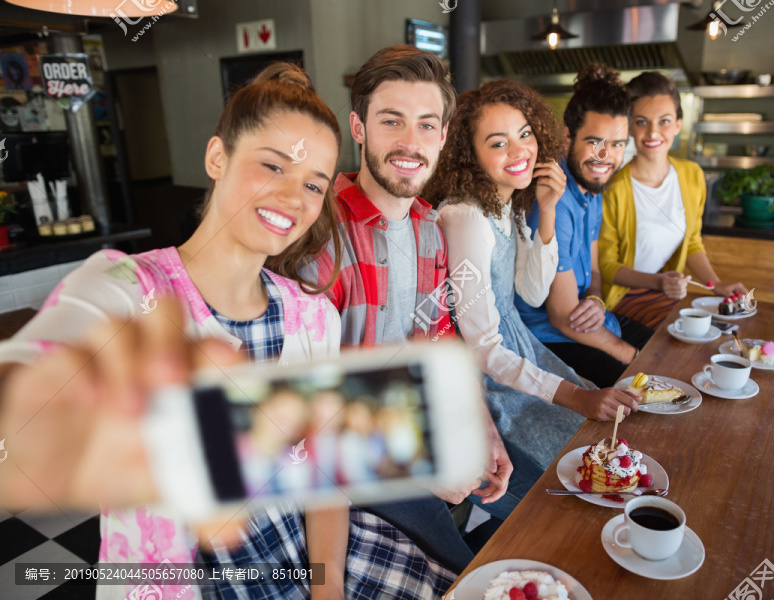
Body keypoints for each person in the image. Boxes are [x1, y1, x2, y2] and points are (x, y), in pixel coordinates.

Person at [0, 63, 456, 600]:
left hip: (310, 558)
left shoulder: (312, 316)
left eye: (313, 183)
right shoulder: (126, 286)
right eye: (272, 166)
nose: (293, 196)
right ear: (217, 157)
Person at [298, 45, 541, 571]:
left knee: (547, 506)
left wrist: (484, 427)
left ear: (445, 136)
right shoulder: (321, 239)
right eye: (392, 121)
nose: (411, 143)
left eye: (427, 125)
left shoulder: (431, 229)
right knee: (462, 574)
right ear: (358, 127)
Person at [423, 79, 640, 470]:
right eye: (497, 142)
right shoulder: (466, 218)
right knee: (576, 459)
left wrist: (549, 207)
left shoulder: (504, 204)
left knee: (599, 444)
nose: (520, 149)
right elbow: (482, 349)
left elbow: (532, 292)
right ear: (470, 154)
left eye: (524, 134)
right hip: (484, 380)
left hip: (519, 349)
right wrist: (575, 396)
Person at [514, 64, 654, 389]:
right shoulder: (555, 199)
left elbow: (594, 271)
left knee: (668, 351)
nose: (606, 156)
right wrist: (630, 355)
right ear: (567, 136)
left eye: (618, 144)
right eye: (595, 142)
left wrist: (596, 301)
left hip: (590, 324)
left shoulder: (592, 188)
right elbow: (562, 317)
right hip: (554, 341)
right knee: (644, 386)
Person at [599, 71, 748, 329]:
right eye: (642, 121)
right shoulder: (613, 188)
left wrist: (716, 285)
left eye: (665, 121)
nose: (653, 132)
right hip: (625, 298)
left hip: (667, 295)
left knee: (725, 327)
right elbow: (607, 266)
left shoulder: (691, 175)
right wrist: (659, 282)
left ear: (679, 124)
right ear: (630, 125)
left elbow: (691, 242)